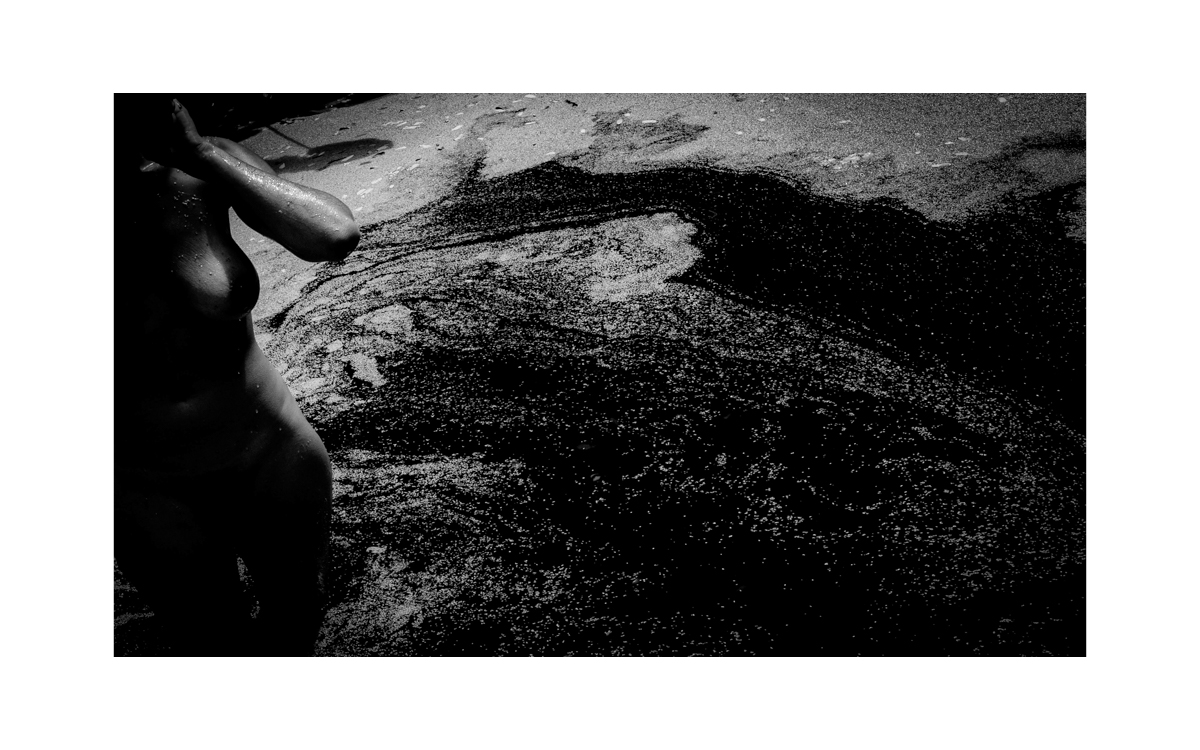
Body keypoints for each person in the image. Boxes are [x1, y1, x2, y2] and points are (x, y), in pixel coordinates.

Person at [115, 96, 360, 655]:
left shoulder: (202, 169)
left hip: (271, 450)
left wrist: (202, 153)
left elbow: (333, 235)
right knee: (212, 645)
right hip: (146, 483)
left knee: (297, 621)